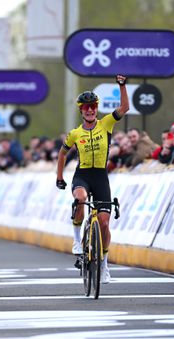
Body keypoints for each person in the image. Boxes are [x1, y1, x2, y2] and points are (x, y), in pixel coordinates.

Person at [56, 74, 129, 284]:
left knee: (105, 224)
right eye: (86, 107)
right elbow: (62, 154)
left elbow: (124, 107)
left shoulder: (106, 123)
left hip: (100, 177)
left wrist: (122, 86)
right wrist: (60, 177)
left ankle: (104, 265)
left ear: (97, 108)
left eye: (93, 106)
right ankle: (77, 240)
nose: (90, 110)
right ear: (81, 110)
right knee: (80, 198)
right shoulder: (74, 133)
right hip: (83, 175)